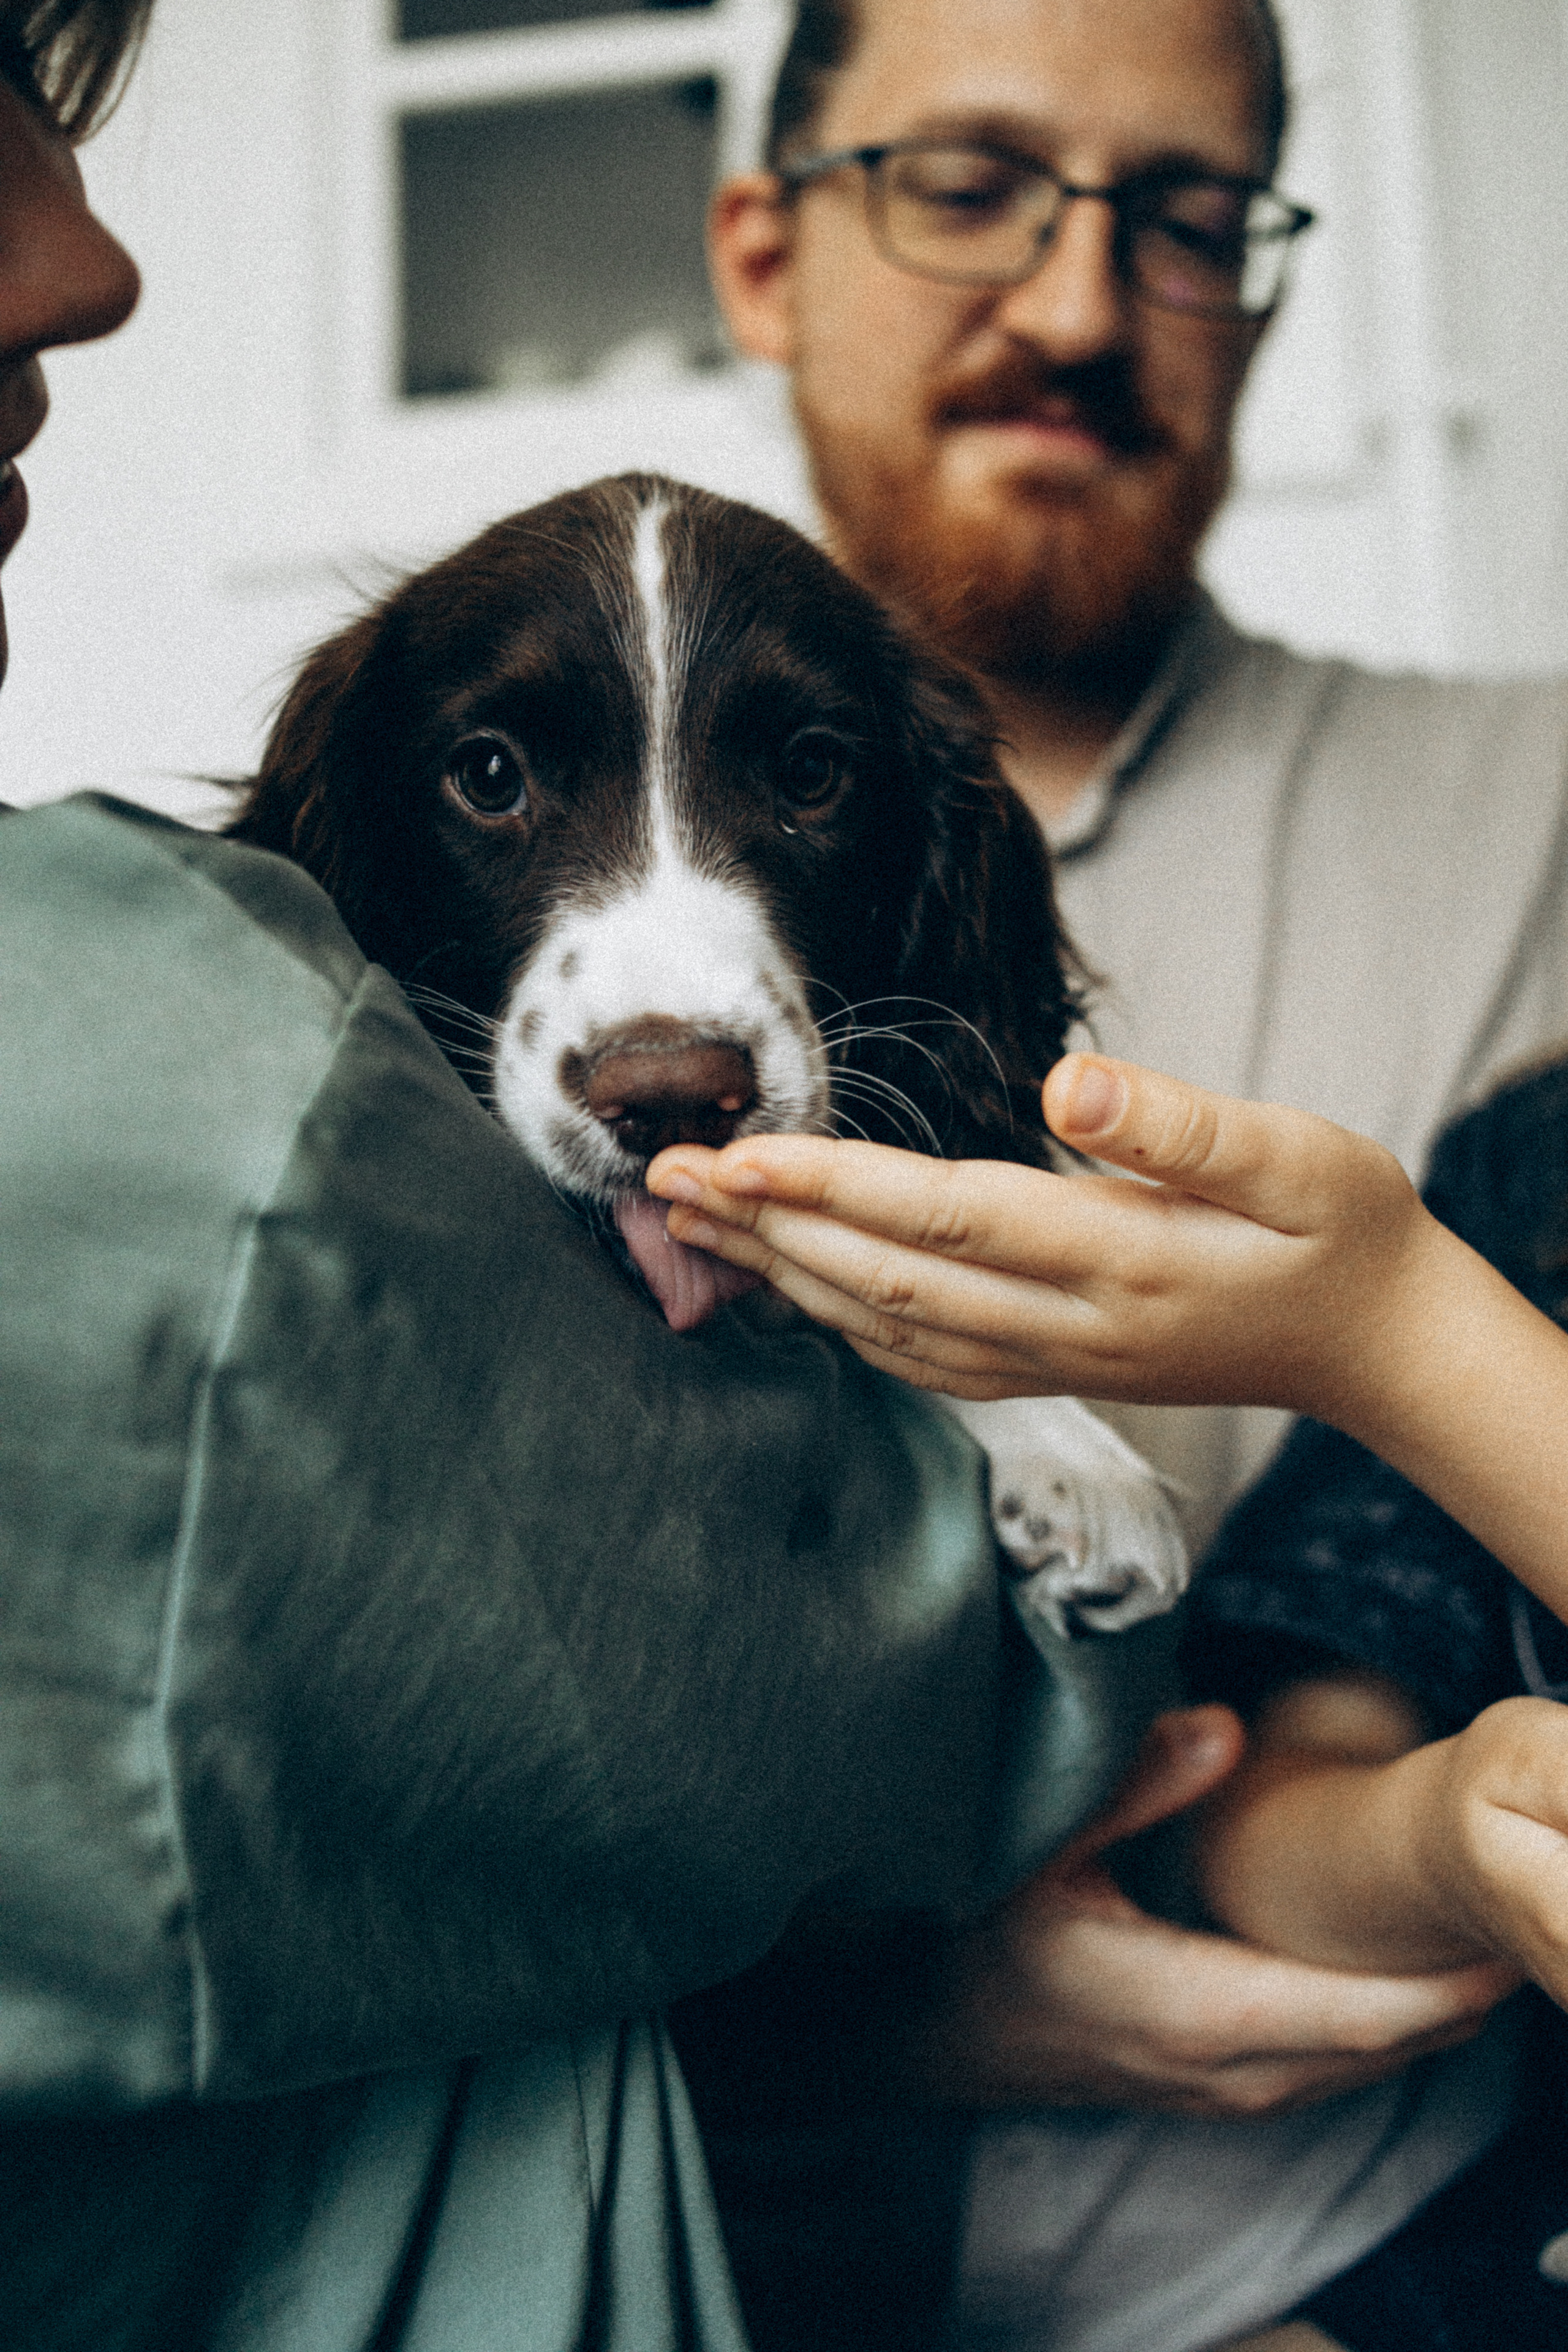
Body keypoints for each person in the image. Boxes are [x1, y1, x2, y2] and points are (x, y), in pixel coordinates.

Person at [0, 13, 1200, 2350]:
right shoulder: (216, 1147)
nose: (83, 258)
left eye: (799, 781)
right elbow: (961, 1717)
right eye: (496, 778)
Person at [706, 0, 1568, 1551]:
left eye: (1188, 226)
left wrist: (1395, 1338)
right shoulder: (493, 863)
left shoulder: (1539, 812)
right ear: (765, 266)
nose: (1076, 317)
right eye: (965, 190)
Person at [649, 1041, 1568, 2346]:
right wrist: (1451, 1838)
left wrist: (1402, 1335)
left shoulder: (1426, 1296)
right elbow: (1289, 1781)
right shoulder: (1539, 1159)